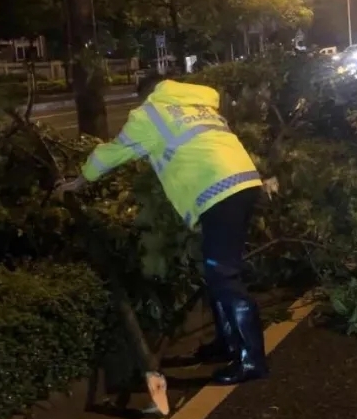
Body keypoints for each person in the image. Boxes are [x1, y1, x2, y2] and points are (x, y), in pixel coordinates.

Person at [56, 74, 269, 386]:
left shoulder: (150, 114)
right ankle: (228, 345)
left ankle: (252, 360)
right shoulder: (197, 104)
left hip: (219, 192)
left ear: (147, 94)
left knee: (223, 275)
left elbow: (111, 152)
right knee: (217, 272)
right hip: (244, 183)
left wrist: (78, 181)